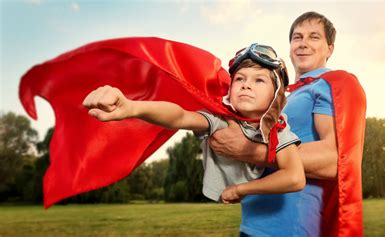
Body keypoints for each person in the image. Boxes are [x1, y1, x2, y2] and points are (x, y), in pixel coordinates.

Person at [82, 43, 306, 204]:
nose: (246, 85)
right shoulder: (222, 119)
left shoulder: (279, 127)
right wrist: (132, 107)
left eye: (259, 80)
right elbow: (180, 116)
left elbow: (295, 177)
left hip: (256, 200)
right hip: (227, 196)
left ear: (275, 96)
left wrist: (241, 189)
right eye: (240, 78)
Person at [209, 12, 366, 236]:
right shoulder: (278, 96)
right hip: (252, 225)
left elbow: (335, 160)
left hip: (292, 230)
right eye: (297, 37)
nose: (303, 44)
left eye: (314, 37)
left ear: (329, 48)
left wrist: (246, 150)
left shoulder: (329, 85)